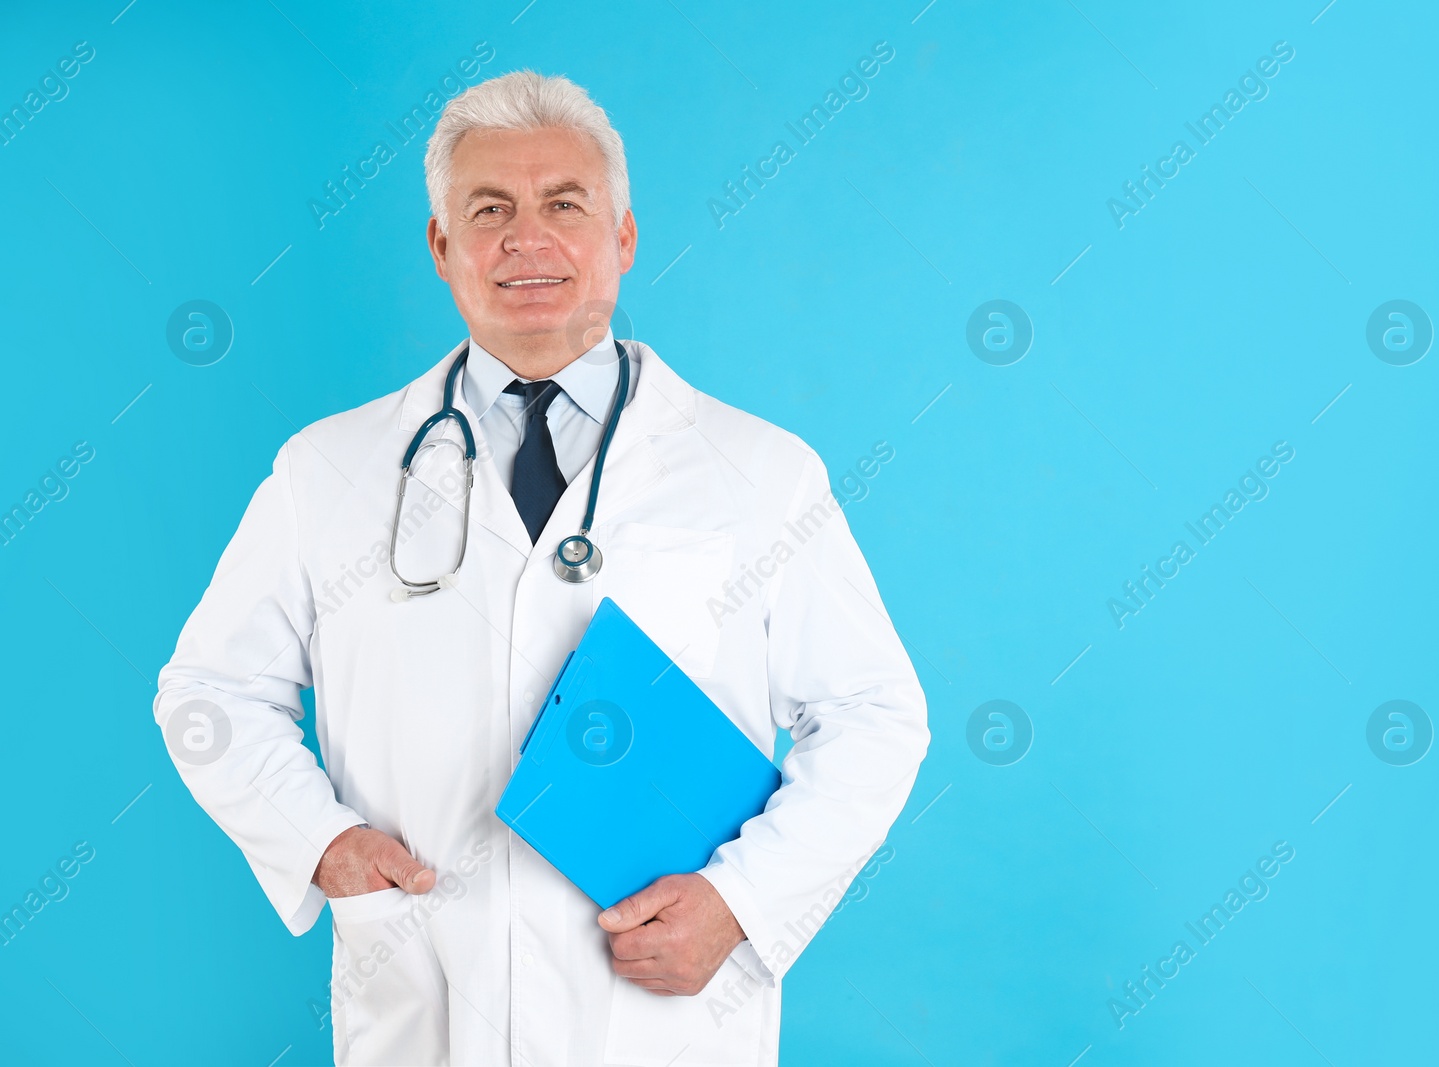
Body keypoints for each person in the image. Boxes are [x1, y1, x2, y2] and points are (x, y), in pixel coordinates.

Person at [153, 69, 929, 1066]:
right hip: (423, 999)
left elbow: (874, 714)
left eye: (565, 204)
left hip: (657, 1019)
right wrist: (319, 842)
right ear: (442, 247)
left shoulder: (760, 471)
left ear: (623, 239)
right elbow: (209, 690)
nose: (527, 238)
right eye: (489, 210)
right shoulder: (329, 469)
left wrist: (742, 901)